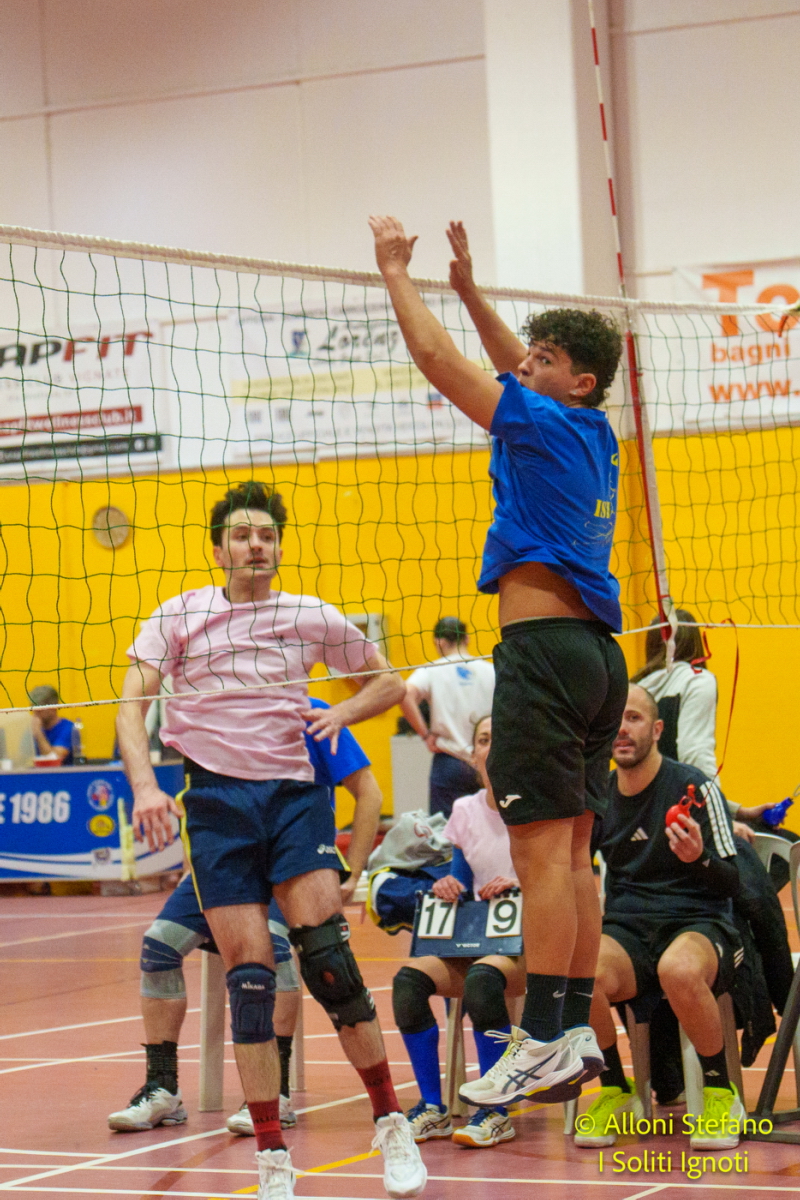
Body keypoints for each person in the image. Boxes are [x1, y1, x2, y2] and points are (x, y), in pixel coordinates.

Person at [370, 215, 627, 1106]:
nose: (524, 365)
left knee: (543, 857)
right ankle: (572, 1028)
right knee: (575, 855)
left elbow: (440, 362)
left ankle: (545, 1037)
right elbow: (515, 360)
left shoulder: (545, 425)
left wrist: (396, 273)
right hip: (595, 657)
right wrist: (472, 291)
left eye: (544, 358)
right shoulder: (592, 431)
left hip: (544, 656)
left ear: (577, 381)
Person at [116, 481, 426, 1200]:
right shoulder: (178, 614)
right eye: (242, 534)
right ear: (219, 548)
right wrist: (145, 787)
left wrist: (342, 712)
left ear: (279, 548)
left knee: (328, 960)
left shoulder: (310, 615)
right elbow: (132, 701)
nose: (256, 545)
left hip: (292, 799)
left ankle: (391, 1125)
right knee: (251, 980)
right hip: (215, 804)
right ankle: (271, 1160)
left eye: (267, 536)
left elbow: (390, 682)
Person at [108, 698, 382, 1135]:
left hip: (289, 861)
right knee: (158, 945)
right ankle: (163, 1087)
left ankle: (278, 1089)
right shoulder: (212, 711)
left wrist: (354, 871)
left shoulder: (312, 713)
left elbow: (369, 793)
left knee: (275, 949)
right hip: (228, 865)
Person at [575, 684, 743, 1151]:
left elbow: (735, 882)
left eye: (633, 718)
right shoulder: (598, 794)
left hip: (699, 921)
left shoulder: (694, 786)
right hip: (628, 929)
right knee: (580, 972)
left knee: (678, 969)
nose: (622, 729)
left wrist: (699, 858)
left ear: (656, 729)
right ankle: (616, 1088)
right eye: (615, 720)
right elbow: (573, 867)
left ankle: (720, 1092)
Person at [393, 715, 527, 1149]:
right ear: (473, 756)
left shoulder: (537, 805)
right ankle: (433, 1108)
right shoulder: (465, 809)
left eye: (501, 738)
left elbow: (562, 878)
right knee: (408, 983)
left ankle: (496, 1111)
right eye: (484, 740)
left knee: (482, 982)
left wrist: (519, 883)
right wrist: (448, 885)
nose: (492, 747)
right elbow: (461, 880)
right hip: (480, 939)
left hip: (529, 945)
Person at [633, 609, 771, 833]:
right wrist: (720, 821)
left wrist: (737, 812)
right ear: (694, 642)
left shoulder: (635, 689)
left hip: (641, 817)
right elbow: (694, 754)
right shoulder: (697, 680)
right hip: (680, 819)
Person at [402, 617, 494, 817]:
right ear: (467, 638)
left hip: (450, 759)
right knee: (489, 823)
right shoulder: (491, 670)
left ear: (438, 642)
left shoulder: (431, 670)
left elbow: (405, 694)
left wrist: (425, 734)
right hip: (487, 758)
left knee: (444, 830)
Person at [29, 684, 75, 764]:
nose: (36, 710)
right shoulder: (30, 731)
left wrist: (38, 734)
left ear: (54, 706)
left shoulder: (68, 728)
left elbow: (54, 759)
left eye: (40, 706)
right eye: (33, 706)